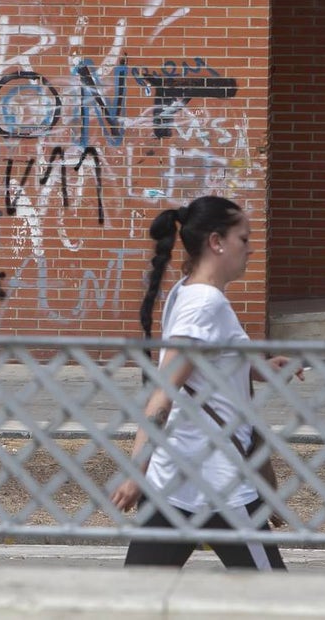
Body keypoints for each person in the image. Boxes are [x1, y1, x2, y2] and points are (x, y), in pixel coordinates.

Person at [110, 195, 300, 570]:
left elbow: (206, 367)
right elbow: (163, 395)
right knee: (276, 600)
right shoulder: (205, 305)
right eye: (243, 240)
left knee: (137, 600)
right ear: (216, 242)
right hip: (219, 482)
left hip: (174, 483)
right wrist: (136, 474)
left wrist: (257, 368)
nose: (250, 250)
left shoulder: (186, 292)